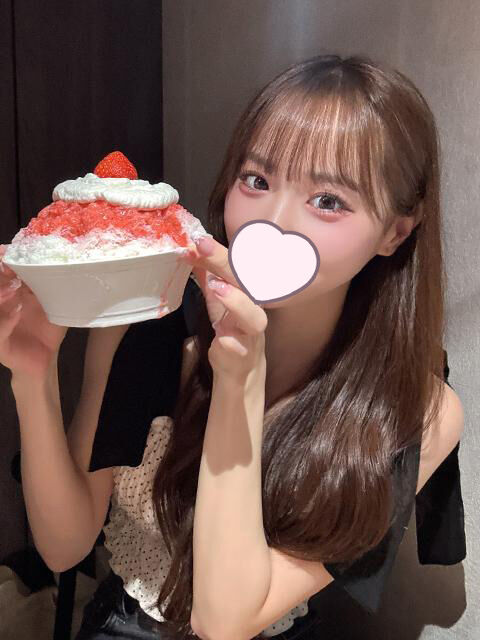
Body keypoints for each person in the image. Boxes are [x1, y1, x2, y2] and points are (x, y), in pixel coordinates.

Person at [1, 53, 466, 640]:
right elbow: (65, 546)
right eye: (257, 181)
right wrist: (32, 373)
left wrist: (239, 381)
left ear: (395, 232)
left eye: (328, 201)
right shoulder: (150, 321)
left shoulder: (419, 410)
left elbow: (225, 623)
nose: (272, 221)